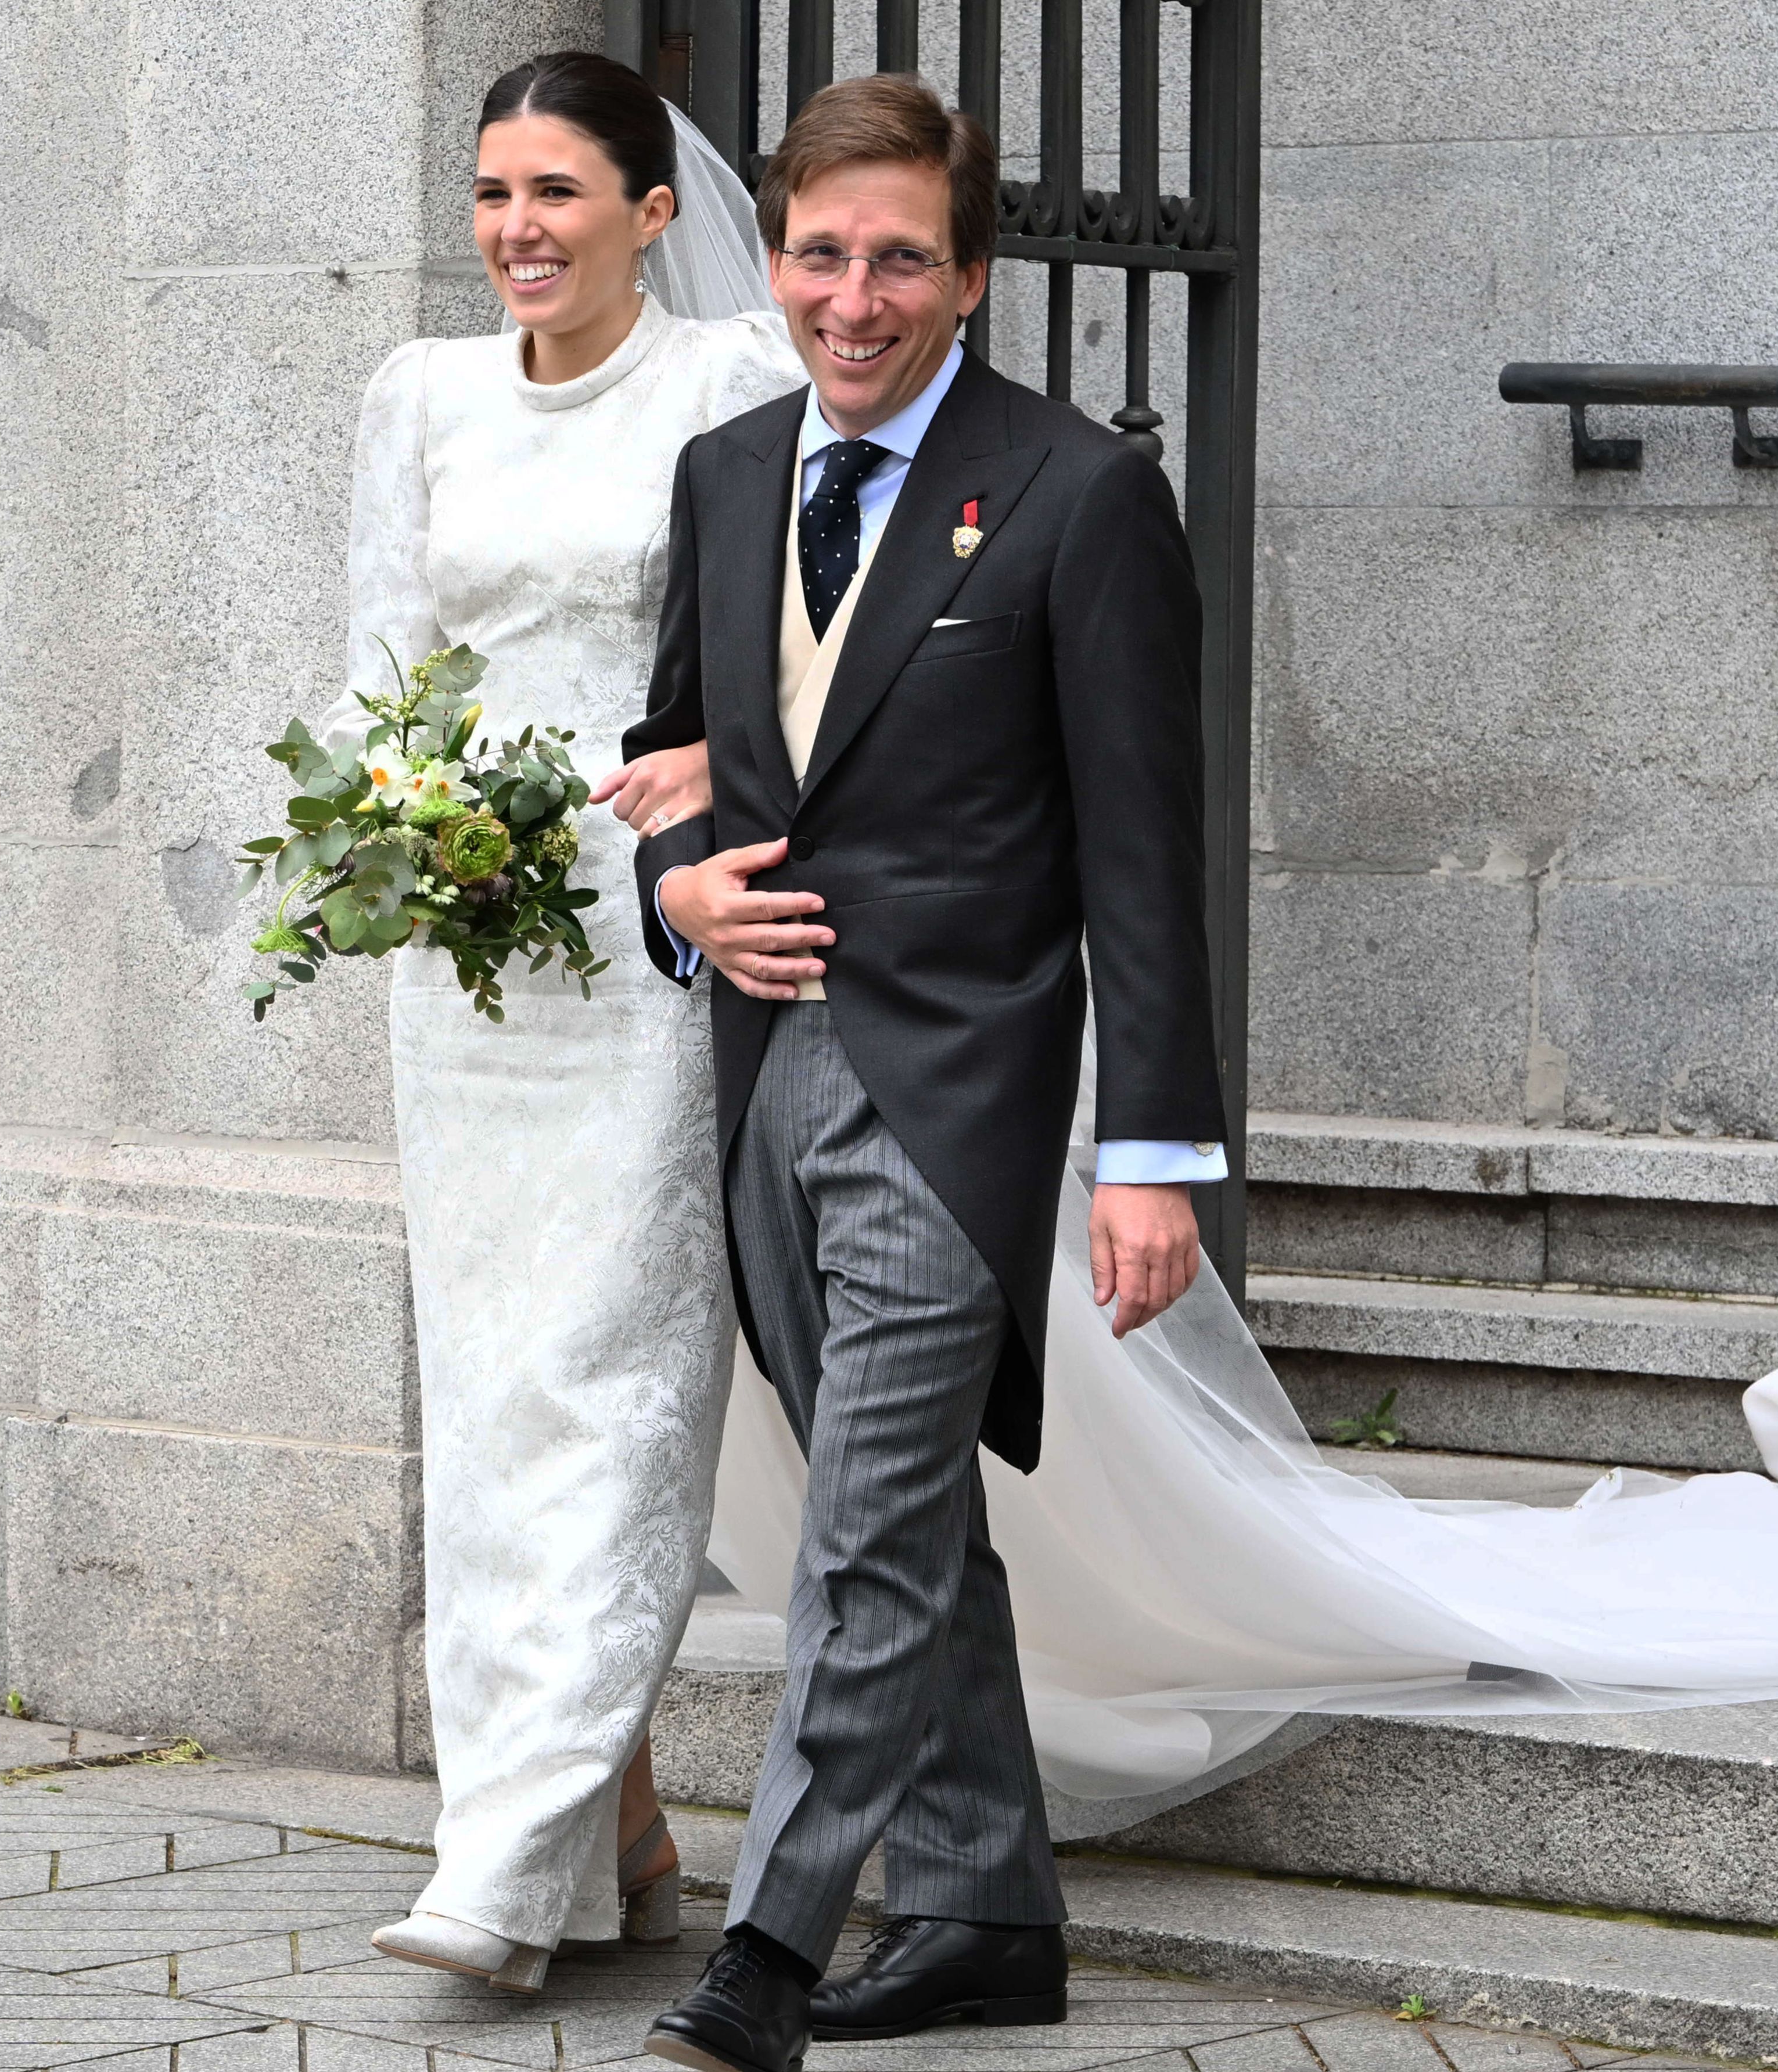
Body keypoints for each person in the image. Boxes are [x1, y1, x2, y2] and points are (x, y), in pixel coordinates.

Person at [622, 72, 1227, 2072]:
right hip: (766, 1085)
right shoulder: (722, 481)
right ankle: (983, 1907)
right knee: (909, 1514)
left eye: (900, 258)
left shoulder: (1074, 494)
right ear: (775, 257)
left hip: (958, 1102)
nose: (853, 297)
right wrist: (677, 894)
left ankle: (765, 1961)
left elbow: (1144, 852)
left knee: (865, 1527)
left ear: (971, 277)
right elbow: (679, 769)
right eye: (820, 252)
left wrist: (1146, 1156)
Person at [321, 51, 802, 1995]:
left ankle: (503, 1862)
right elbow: (379, 667)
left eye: (560, 196)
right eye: (493, 196)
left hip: (653, 941)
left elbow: (789, 656)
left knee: (609, 1370)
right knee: (491, 1375)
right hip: (468, 953)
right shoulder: (415, 395)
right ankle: (611, 1827)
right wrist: (399, 831)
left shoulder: (726, 381)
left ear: (652, 216)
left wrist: (698, 784)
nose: (520, 231)